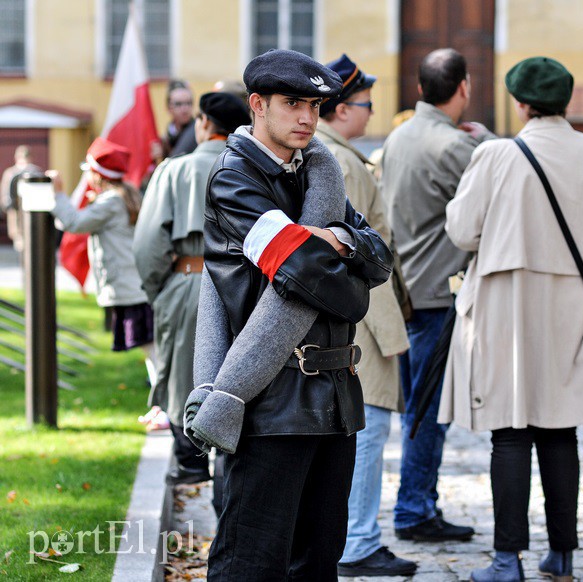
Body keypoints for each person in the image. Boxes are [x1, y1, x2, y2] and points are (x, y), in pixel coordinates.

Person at [183, 49, 393, 580]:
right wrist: (345, 259)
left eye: (314, 106)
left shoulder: (319, 173)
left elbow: (380, 258)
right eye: (292, 103)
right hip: (271, 402)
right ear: (257, 104)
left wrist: (338, 240)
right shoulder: (234, 180)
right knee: (249, 563)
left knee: (318, 563)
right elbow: (312, 275)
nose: (306, 117)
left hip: (335, 400)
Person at [439, 56, 583, 582]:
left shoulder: (495, 154)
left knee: (510, 433)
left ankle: (506, 561)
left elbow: (461, 231)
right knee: (561, 430)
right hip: (570, 305)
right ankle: (561, 556)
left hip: (505, 304)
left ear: (520, 104)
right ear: (565, 101)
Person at [381, 47, 493, 543]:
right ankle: (413, 509)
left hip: (405, 289)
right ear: (464, 87)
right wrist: (485, 139)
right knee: (429, 412)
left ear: (420, 88)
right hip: (438, 294)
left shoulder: (400, 135)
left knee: (417, 407)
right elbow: (500, 188)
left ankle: (418, 503)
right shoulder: (456, 147)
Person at [316, 54, 416, 578]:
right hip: (363, 321)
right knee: (369, 430)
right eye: (365, 104)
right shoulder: (343, 162)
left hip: (354, 317)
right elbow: (356, 254)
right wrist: (386, 333)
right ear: (341, 109)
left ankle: (353, 538)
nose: (371, 112)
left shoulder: (332, 155)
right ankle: (358, 542)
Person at [132, 92, 251, 494]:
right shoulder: (254, 168)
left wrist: (160, 291)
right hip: (247, 284)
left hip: (189, 279)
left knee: (183, 376)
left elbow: (148, 245)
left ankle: (192, 463)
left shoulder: (175, 170)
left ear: (203, 123)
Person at [46, 138, 157, 395]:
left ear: (98, 175)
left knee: (153, 352)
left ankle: (164, 405)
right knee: (152, 350)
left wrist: (58, 193)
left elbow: (73, 222)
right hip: (136, 286)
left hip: (131, 289)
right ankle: (162, 403)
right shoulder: (123, 195)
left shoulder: (110, 202)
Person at [1, 145, 42, 252]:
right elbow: (6, 193)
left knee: (31, 234)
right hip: (16, 209)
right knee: (18, 236)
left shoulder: (35, 171)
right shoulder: (10, 173)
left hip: (32, 209)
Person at [160, 79, 197, 159]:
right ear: (168, 108)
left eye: (188, 103)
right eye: (178, 104)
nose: (185, 109)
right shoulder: (165, 138)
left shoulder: (199, 132)